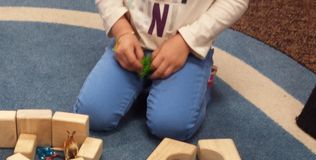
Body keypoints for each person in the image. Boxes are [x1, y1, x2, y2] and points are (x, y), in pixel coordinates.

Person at [75, 0, 249, 141]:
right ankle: (146, 83)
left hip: (185, 49)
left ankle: (204, 82)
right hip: (133, 40)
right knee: (92, 115)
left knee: (170, 126)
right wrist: (122, 30)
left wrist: (187, 40)